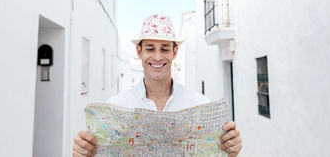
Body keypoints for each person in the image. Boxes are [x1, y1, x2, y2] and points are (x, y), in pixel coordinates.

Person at [72, 14, 242, 157]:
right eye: (151, 49)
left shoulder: (201, 104)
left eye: (165, 49)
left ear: (174, 52)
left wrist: (230, 150)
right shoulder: (115, 109)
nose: (158, 57)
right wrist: (84, 152)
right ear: (139, 52)